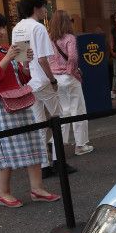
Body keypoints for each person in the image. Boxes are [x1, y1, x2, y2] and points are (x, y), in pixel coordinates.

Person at [0, 10, 60, 207]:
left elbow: (22, 78)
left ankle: (37, 188)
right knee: (5, 146)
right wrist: (8, 58)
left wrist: (25, 64)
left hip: (18, 97)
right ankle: (3, 193)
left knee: (33, 140)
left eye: (4, 27)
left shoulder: (6, 48)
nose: (2, 32)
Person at [12, 0, 73, 179]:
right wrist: (52, 80)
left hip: (29, 83)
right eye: (44, 6)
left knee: (39, 123)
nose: (46, 10)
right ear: (36, 8)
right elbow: (43, 59)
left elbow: (22, 60)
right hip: (43, 81)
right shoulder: (38, 28)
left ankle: (44, 165)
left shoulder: (17, 28)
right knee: (59, 119)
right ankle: (58, 160)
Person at [48, 10, 93, 156]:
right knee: (78, 110)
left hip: (55, 79)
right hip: (69, 78)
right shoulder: (70, 38)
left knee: (63, 112)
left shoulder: (49, 38)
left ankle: (57, 143)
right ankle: (80, 145)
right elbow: (73, 58)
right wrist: (70, 71)